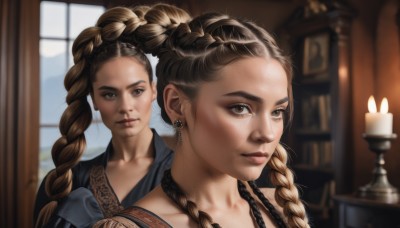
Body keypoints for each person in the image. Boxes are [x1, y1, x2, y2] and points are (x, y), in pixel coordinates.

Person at [93, 4, 310, 228]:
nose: (267, 133)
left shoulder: (278, 207)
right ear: (176, 105)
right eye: (240, 108)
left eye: (277, 112)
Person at [34, 5, 191, 228]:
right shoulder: (68, 181)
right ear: (94, 100)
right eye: (109, 94)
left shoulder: (187, 173)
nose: (125, 106)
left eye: (137, 91)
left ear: (154, 91)